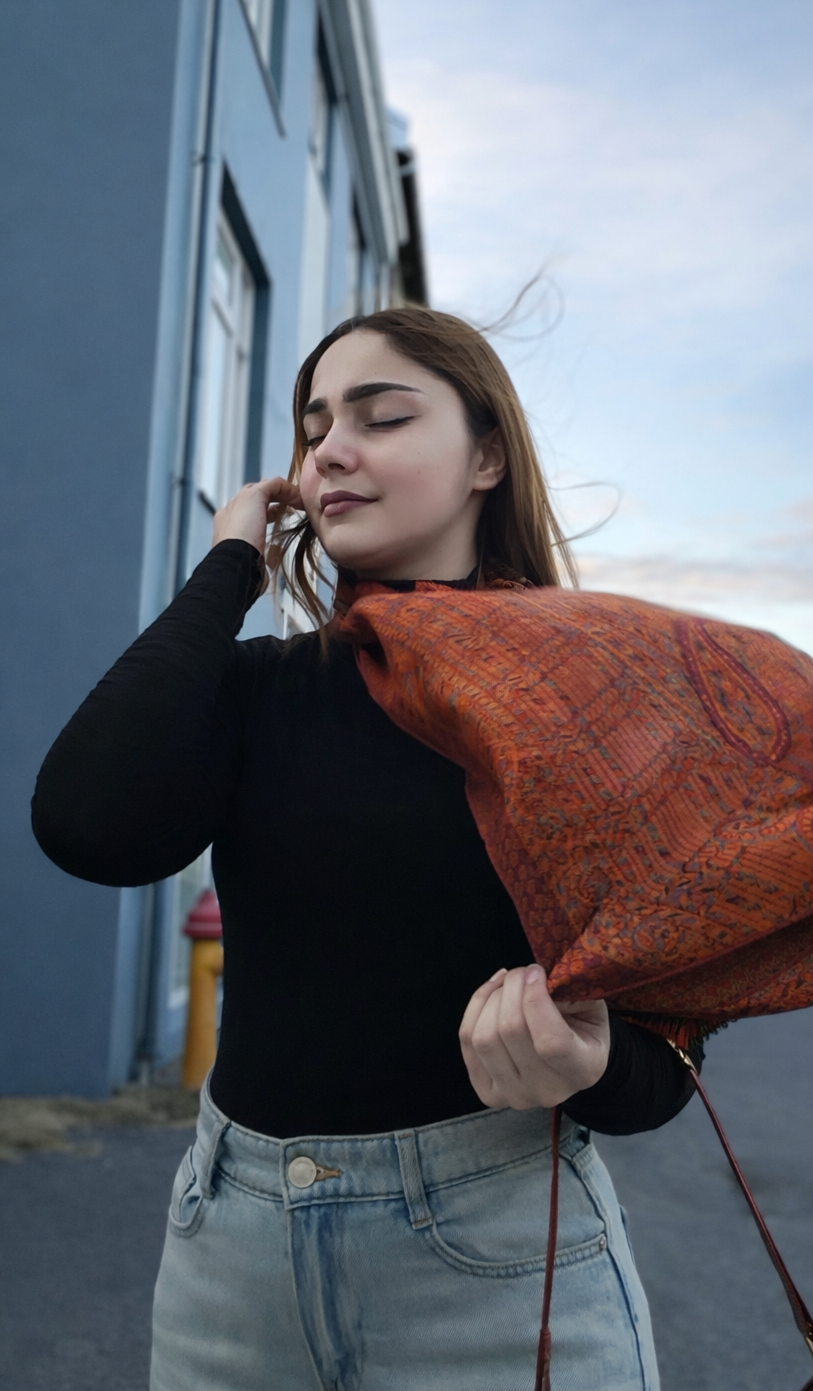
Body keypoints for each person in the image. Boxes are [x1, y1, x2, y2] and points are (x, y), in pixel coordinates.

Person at [32, 307, 703, 1391]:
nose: (331, 448)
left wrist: (586, 1065)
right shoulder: (257, 691)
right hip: (230, 1262)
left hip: (496, 1265)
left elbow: (667, 1064)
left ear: (487, 454)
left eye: (382, 415)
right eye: (313, 427)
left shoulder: (591, 703)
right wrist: (228, 570)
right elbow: (86, 825)